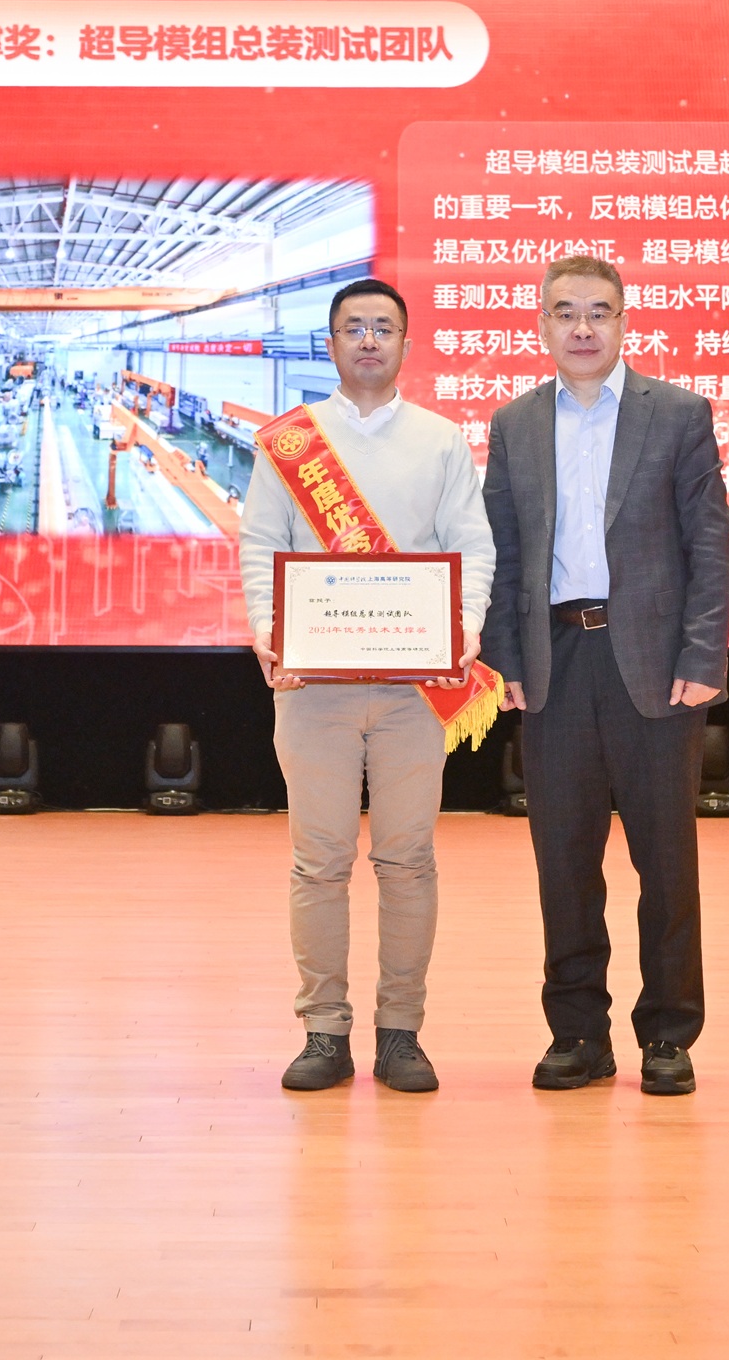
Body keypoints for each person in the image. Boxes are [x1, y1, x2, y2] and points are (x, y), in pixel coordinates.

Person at [481, 254, 729, 1097]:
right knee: (563, 863)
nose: (582, 327)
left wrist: (702, 658)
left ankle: (668, 1033)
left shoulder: (679, 414)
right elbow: (503, 552)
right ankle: (578, 1033)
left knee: (666, 862)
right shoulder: (515, 423)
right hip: (555, 663)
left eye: (599, 311)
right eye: (565, 312)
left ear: (624, 322)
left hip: (655, 669)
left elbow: (709, 546)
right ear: (542, 325)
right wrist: (504, 661)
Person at [239, 279, 495, 1093]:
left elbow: (472, 545)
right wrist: (270, 630)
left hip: (413, 688)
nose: (369, 340)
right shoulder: (290, 443)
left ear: (406, 345)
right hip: (313, 686)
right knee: (318, 863)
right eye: (354, 327)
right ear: (331, 344)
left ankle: (401, 1032)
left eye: (384, 327)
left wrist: (461, 629)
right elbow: (260, 545)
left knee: (407, 861)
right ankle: (323, 1030)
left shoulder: (441, 441)